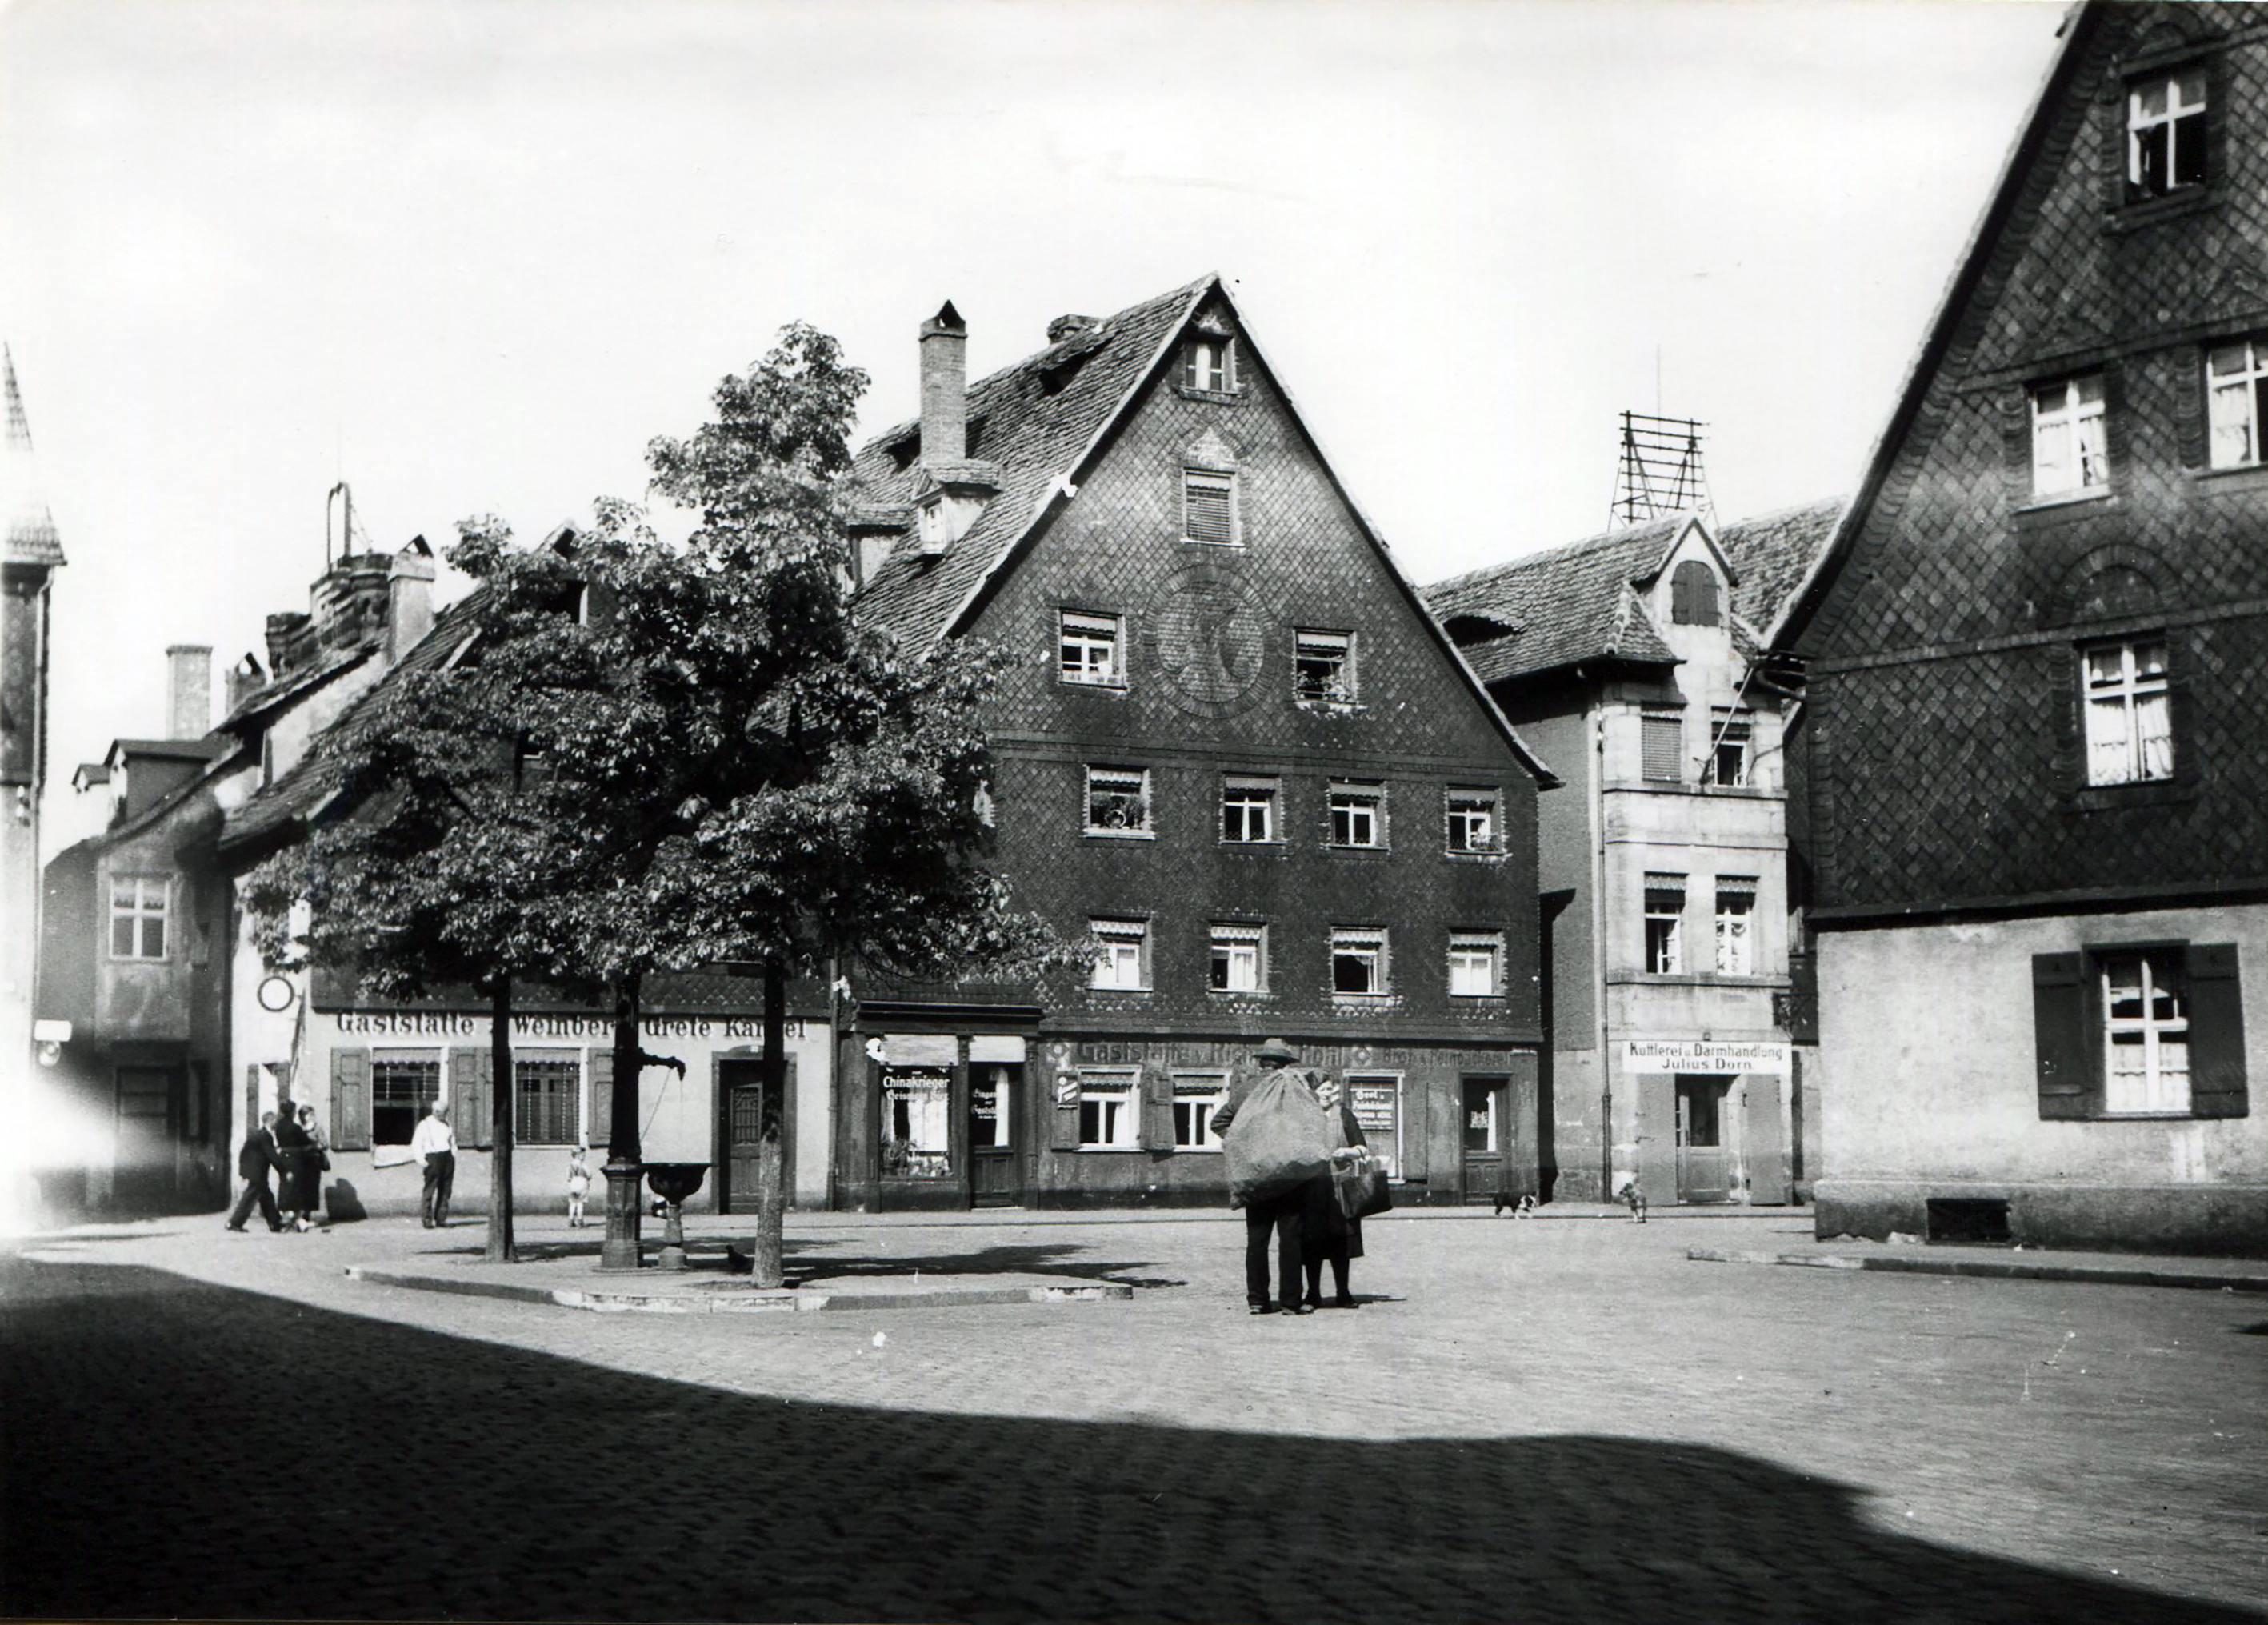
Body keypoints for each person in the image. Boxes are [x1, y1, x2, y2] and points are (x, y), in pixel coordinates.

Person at [1210, 1037, 1320, 1317]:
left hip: (1256, 1175)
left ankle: (1257, 1301)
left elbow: (1218, 1122)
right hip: (1291, 1176)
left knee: (1257, 1240)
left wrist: (1242, 1145)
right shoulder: (1298, 1089)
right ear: (1286, 1063)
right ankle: (1290, 1302)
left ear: (1262, 1063)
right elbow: (1313, 1124)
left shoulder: (1246, 1090)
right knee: (1291, 1240)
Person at [1303, 1076, 1368, 1310]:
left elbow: (1362, 1148)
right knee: (1312, 1241)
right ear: (1311, 1092)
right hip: (1312, 1188)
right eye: (1321, 1089)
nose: (1326, 1093)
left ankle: (1343, 1292)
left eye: (1329, 1089)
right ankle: (1313, 1294)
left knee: (1341, 1241)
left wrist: (1347, 1152)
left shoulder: (1344, 1115)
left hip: (1341, 1187)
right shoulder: (1304, 1116)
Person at [225, 1111, 288, 1233]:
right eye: (275, 1121)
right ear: (270, 1121)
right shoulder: (266, 1136)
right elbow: (272, 1156)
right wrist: (284, 1171)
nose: (277, 1123)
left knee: (267, 1197)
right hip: (258, 1173)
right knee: (250, 1198)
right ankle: (234, 1222)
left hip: (255, 1172)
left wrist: (243, 1171)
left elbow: (244, 1153)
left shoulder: (257, 1135)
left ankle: (275, 1223)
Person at [410, 1099, 457, 1229]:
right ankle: (427, 1219)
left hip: (447, 1157)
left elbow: (452, 1140)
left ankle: (441, 1219)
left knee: (446, 1190)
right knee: (430, 1189)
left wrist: (453, 1154)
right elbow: (416, 1144)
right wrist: (422, 1161)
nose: (439, 1114)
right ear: (433, 1111)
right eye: (437, 1111)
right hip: (433, 1157)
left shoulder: (447, 1124)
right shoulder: (425, 1124)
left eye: (443, 1112)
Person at [274, 1101, 314, 1232]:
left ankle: (284, 1214)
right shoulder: (294, 1127)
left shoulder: (278, 1126)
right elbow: (305, 1141)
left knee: (285, 1185)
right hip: (295, 1158)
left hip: (283, 1157)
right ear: (292, 1111)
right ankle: (294, 1217)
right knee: (296, 1187)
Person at [293, 1103, 330, 1229]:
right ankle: (299, 1217)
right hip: (300, 1162)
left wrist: (316, 1145)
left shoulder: (317, 1128)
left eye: (312, 1114)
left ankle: (306, 1216)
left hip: (313, 1163)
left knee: (311, 1190)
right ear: (302, 1116)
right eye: (309, 1115)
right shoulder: (298, 1128)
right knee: (299, 1189)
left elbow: (325, 1144)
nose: (311, 1117)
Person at [566, 1145, 594, 1228]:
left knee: (573, 1202)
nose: (584, 1156)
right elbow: (589, 1174)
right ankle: (580, 1220)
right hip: (582, 1183)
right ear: (578, 1155)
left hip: (573, 1183)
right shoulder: (584, 1165)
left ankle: (571, 1220)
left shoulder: (570, 1165)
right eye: (583, 1155)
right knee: (580, 1203)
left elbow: (568, 1177)